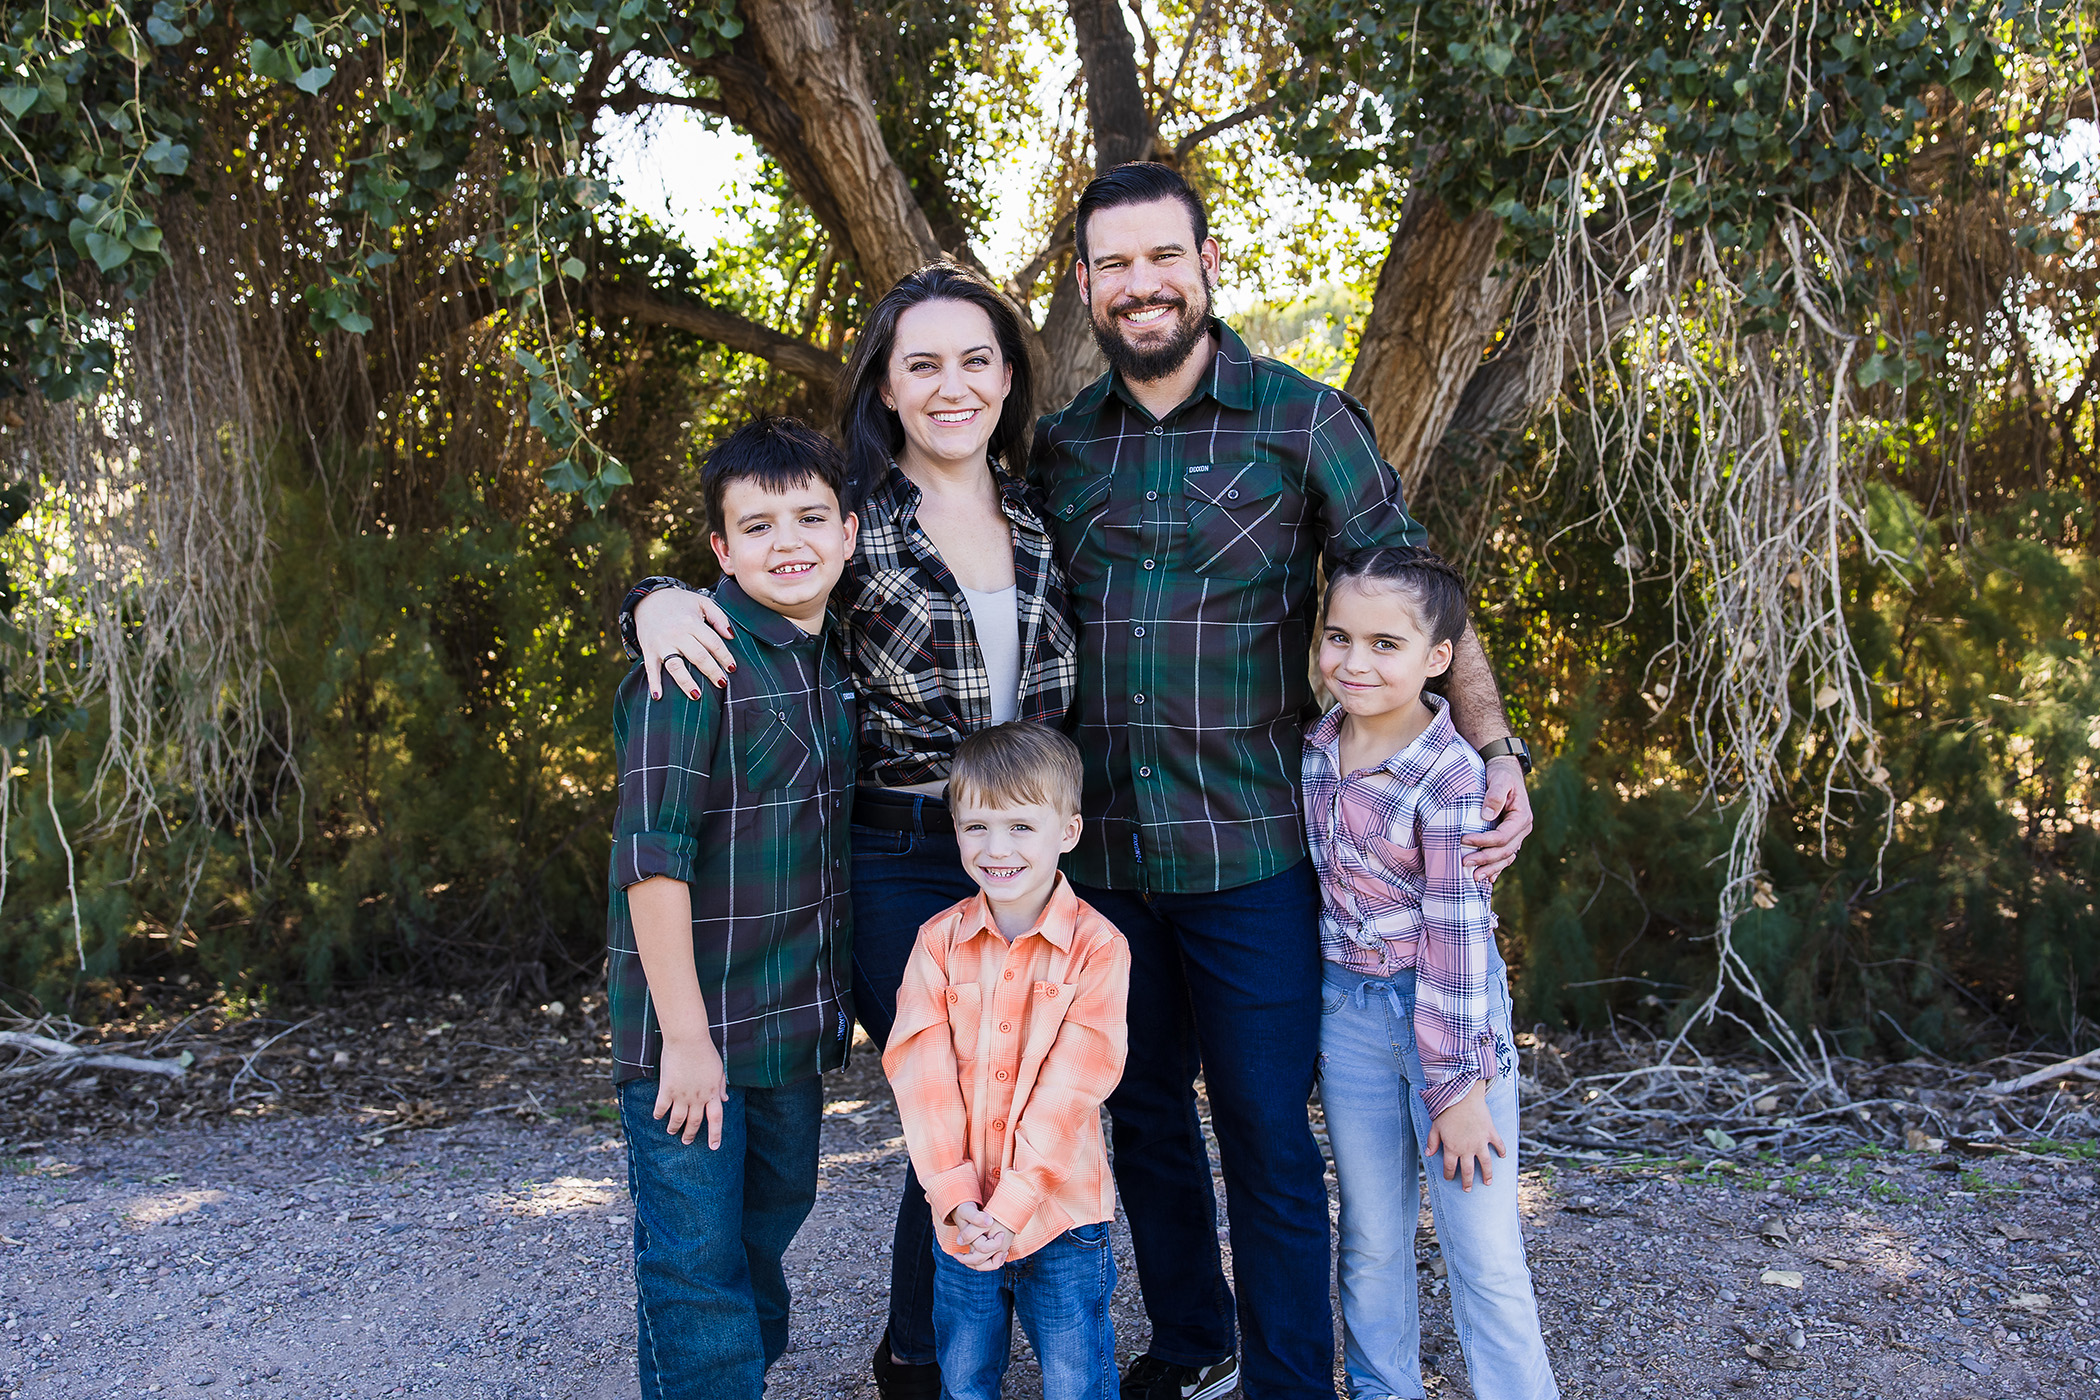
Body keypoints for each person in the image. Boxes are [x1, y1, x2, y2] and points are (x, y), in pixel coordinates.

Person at [1029, 162, 1538, 1400]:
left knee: (1262, 1126)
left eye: (1165, 257)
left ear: (1207, 266)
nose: (1141, 284)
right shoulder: (1056, 449)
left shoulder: (1303, 420)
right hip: (1103, 860)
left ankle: (1293, 1379)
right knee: (1144, 1115)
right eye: (1115, 265)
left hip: (1254, 850)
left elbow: (1418, 591)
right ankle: (1195, 1339)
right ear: (1086, 286)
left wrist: (1494, 748)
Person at [618, 262, 1077, 1400]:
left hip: (1022, 862)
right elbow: (737, 586)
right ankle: (919, 1363)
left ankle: (925, 1346)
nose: (951, 383)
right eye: (920, 362)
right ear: (884, 384)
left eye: (975, 358)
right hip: (895, 856)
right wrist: (648, 598)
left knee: (999, 1116)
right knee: (945, 1116)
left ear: (1008, 374)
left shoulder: (1038, 506)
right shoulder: (849, 516)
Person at [605, 416, 860, 1400]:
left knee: (758, 1239)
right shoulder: (691, 665)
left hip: (789, 1029)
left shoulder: (831, 661)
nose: (786, 542)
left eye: (808, 516)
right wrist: (683, 1038)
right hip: (690, 1034)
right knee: (697, 1269)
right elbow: (654, 859)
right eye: (756, 526)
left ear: (848, 529)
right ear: (720, 547)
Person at [1304, 546, 1556, 1400]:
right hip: (1350, 1015)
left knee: (1480, 1245)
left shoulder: (1452, 778)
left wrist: (1458, 1091)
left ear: (1437, 659)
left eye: (1386, 644)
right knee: (1371, 1235)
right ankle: (1384, 1388)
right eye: (1340, 637)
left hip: (1448, 1017)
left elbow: (1456, 938)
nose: (1355, 661)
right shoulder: (1314, 749)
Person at [881, 721, 1130, 1400]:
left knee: (1077, 1380)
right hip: (961, 1219)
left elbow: (1076, 1085)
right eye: (977, 827)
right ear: (955, 828)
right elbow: (919, 1074)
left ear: (1069, 832)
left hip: (1061, 1216)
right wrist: (958, 1198)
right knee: (964, 1380)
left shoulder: (1099, 949)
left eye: (1022, 827)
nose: (997, 849)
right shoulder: (937, 944)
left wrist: (1015, 1202)